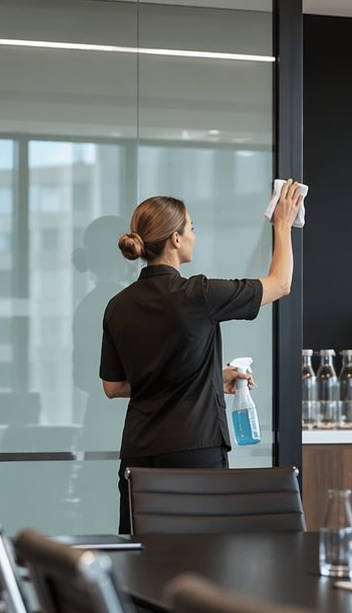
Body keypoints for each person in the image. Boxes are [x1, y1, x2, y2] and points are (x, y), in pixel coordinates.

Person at [99, 184, 303, 533]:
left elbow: (113, 386)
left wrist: (207, 376)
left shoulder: (118, 306)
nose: (195, 235)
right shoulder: (198, 294)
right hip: (195, 449)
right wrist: (282, 225)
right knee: (203, 559)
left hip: (138, 455)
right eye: (191, 228)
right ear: (175, 239)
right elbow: (280, 284)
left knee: (142, 560)